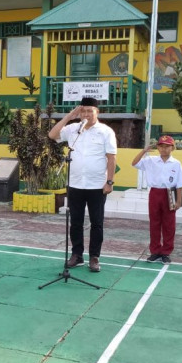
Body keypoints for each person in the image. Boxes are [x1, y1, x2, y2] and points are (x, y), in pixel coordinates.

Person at [48, 97, 117, 272]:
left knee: (97, 223)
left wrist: (110, 182)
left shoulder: (106, 131)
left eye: (90, 111)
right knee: (75, 222)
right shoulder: (73, 129)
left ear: (97, 112)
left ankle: (94, 257)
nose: (86, 114)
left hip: (97, 186)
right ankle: (77, 255)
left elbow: (111, 158)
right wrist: (68, 117)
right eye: (83, 111)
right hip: (75, 185)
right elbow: (52, 135)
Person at [132, 135, 182, 264]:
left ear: (172, 148)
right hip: (155, 192)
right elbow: (134, 163)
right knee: (154, 223)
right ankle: (155, 251)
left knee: (169, 224)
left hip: (170, 193)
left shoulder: (176, 163)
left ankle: (166, 252)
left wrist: (179, 201)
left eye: (167, 146)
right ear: (157, 147)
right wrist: (144, 151)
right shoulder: (151, 160)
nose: (164, 149)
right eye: (161, 146)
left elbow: (180, 184)